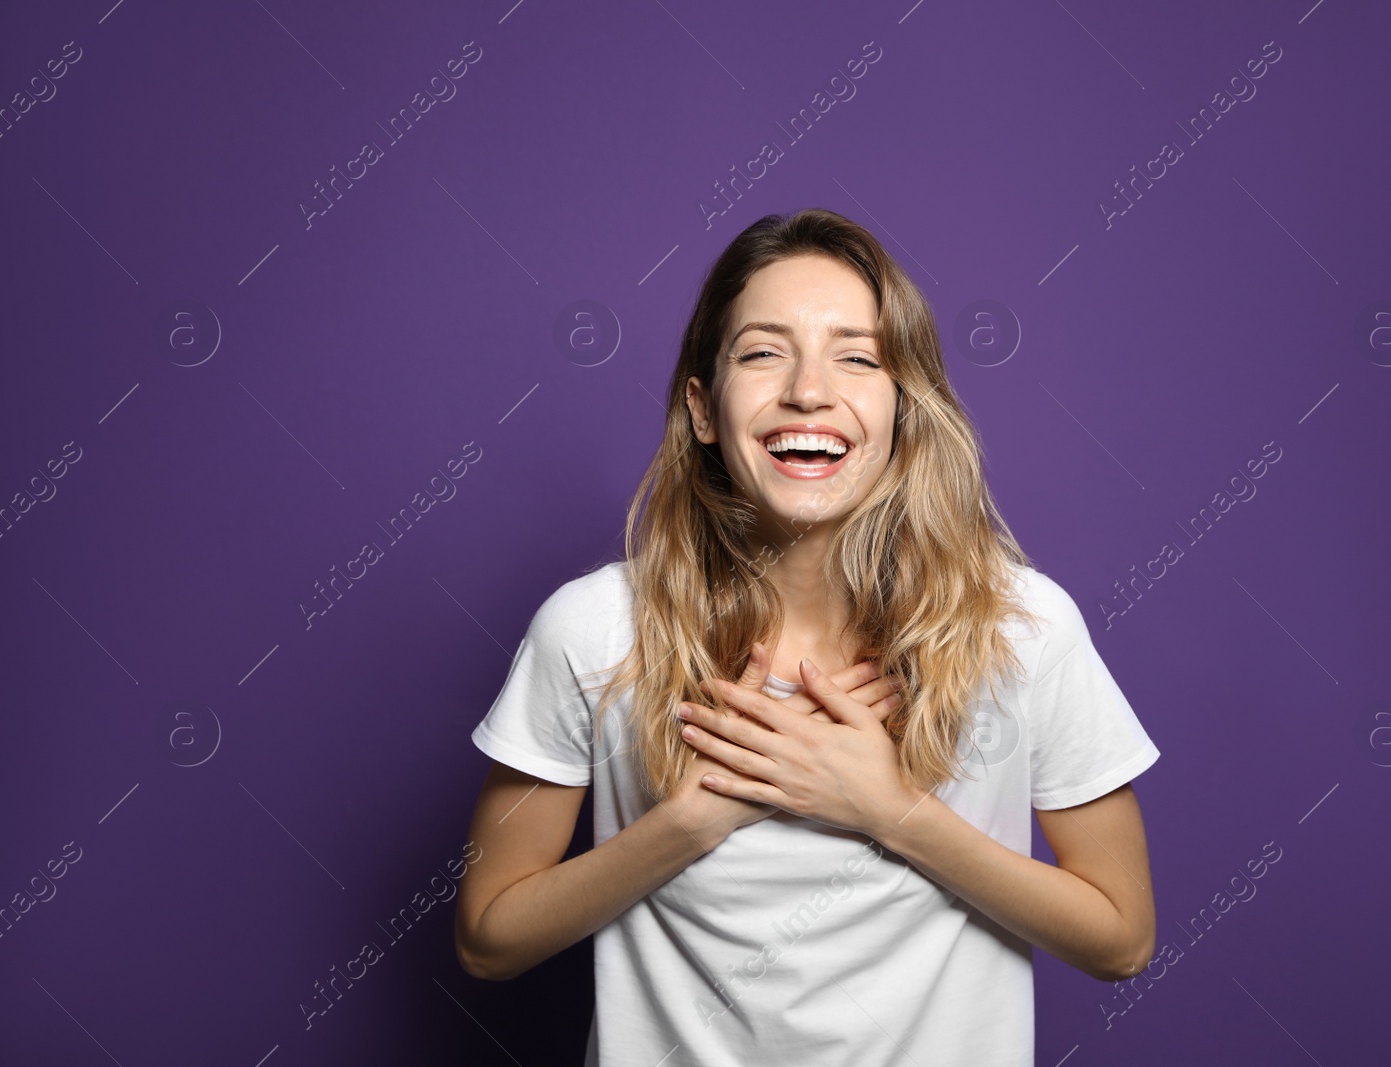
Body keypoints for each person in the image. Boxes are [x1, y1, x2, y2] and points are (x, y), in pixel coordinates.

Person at [454, 208, 1161, 1066]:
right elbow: (488, 939)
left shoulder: (1023, 626)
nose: (808, 390)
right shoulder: (593, 629)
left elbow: (1121, 939)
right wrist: (694, 819)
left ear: (904, 410)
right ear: (703, 408)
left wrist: (889, 808)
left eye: (857, 356)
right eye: (762, 351)